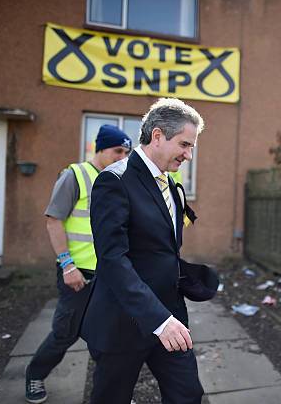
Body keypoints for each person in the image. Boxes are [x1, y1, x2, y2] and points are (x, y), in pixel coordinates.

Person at [81, 98, 218, 404]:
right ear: (157, 136)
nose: (189, 155)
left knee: (188, 395)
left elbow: (161, 248)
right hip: (123, 322)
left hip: (171, 314)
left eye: (192, 146)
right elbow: (112, 259)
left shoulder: (171, 183)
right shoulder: (113, 181)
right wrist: (158, 319)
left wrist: (188, 277)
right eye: (184, 144)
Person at [25, 125, 131, 404]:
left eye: (127, 152)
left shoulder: (120, 179)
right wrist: (67, 265)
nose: (122, 156)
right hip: (78, 274)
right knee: (65, 333)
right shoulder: (75, 176)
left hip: (110, 275)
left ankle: (112, 394)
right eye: (117, 150)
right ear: (100, 148)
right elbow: (53, 220)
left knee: (109, 336)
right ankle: (34, 374)